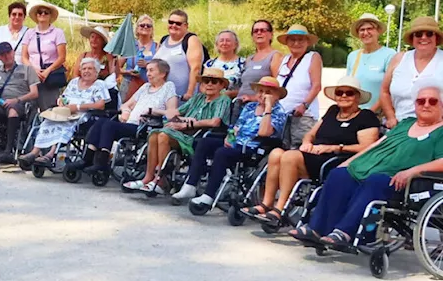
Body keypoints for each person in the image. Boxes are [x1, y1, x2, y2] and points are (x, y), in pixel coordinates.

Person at [291, 82, 443, 249]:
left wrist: (412, 171)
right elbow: (376, 145)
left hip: (401, 179)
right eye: (421, 101)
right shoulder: (406, 123)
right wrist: (348, 163)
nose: (426, 105)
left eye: (432, 101)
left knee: (375, 180)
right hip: (369, 168)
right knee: (338, 175)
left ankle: (345, 233)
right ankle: (317, 229)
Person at [250, 76, 380, 223]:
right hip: (314, 154)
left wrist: (334, 147)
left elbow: (368, 147)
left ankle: (280, 208)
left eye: (349, 93)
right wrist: (306, 142)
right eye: (340, 92)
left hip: (337, 159)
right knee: (276, 153)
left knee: (290, 157)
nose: (343, 96)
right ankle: (266, 203)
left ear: (358, 97)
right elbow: (311, 134)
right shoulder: (333, 111)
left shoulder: (365, 116)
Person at [184, 76, 289, 209]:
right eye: (260, 91)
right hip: (237, 143)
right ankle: (190, 184)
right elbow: (236, 127)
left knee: (222, 153)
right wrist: (230, 137)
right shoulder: (250, 107)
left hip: (255, 148)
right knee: (205, 142)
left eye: (268, 92)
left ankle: (209, 195)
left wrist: (268, 107)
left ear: (277, 96)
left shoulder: (278, 112)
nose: (263, 95)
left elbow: (264, 132)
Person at [124, 68, 232, 193]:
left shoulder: (223, 100)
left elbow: (215, 122)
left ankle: (160, 179)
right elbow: (176, 113)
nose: (209, 84)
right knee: (154, 134)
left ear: (222, 85)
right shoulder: (198, 98)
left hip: (199, 136)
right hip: (181, 132)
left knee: (163, 135)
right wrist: (155, 111)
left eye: (214, 81)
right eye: (206, 81)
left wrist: (189, 124)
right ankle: (148, 177)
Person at [78, 60, 179, 175]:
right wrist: (125, 111)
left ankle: (102, 162)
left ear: (163, 73)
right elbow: (126, 104)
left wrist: (154, 111)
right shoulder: (145, 87)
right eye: (147, 71)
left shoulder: (168, 87)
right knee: (101, 121)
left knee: (109, 125)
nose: (148, 74)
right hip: (130, 123)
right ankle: (87, 158)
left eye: (151, 70)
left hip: (146, 126)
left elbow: (172, 112)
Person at [22, 59, 111, 167]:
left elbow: (100, 105)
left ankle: (50, 155)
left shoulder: (99, 84)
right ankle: (34, 152)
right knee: (48, 121)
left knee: (64, 124)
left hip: (82, 115)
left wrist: (77, 107)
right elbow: (64, 97)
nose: (86, 71)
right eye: (84, 69)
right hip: (65, 112)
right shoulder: (74, 82)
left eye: (90, 69)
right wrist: (61, 101)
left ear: (96, 72)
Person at [0, 41, 40, 164]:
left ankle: (8, 150)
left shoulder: (27, 70)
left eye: (8, 53)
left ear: (13, 52)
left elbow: (34, 93)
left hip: (19, 104)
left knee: (12, 109)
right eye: (3, 54)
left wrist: (17, 100)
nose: (6, 56)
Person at [379, 16, 443, 128]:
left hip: (437, 128)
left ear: (436, 37)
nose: (424, 37)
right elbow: (384, 91)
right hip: (399, 126)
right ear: (412, 38)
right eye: (418, 34)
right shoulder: (399, 59)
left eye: (429, 34)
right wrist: (390, 117)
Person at [275, 24, 322, 149]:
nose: (296, 43)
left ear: (307, 42)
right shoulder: (283, 60)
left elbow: (316, 86)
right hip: (282, 115)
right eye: (292, 39)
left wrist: (304, 105)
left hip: (303, 116)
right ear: (287, 42)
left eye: (300, 39)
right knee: (281, 149)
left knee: (300, 149)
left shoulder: (312, 57)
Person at [346, 13, 394, 113]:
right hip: (354, 114)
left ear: (378, 31)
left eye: (370, 29)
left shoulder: (389, 55)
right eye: (362, 30)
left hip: (378, 115)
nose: (366, 33)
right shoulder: (353, 56)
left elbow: (390, 90)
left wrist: (369, 113)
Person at [22, 3, 67, 111]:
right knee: (29, 110)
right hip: (32, 75)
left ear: (50, 16)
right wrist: (34, 70)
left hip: (50, 75)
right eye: (40, 12)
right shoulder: (29, 33)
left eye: (46, 12)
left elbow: (62, 57)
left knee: (49, 108)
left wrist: (47, 71)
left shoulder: (58, 33)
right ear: (36, 16)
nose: (42, 14)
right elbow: (24, 57)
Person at [154, 9, 203, 102]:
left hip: (181, 97)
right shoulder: (164, 39)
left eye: (178, 23)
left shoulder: (191, 40)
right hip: (160, 95)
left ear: (186, 25)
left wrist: (190, 93)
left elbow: (196, 68)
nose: (174, 25)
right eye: (171, 22)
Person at [237, 19, 282, 103]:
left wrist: (253, 98)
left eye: (263, 30)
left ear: (271, 35)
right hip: (240, 104)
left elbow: (278, 86)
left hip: (259, 106)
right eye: (255, 31)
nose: (259, 33)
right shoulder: (249, 59)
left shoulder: (275, 56)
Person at [116, 14, 158, 102]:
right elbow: (117, 68)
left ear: (152, 29)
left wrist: (147, 65)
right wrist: (128, 72)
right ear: (137, 29)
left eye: (148, 25)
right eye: (142, 25)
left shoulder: (157, 47)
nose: (145, 27)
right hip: (128, 85)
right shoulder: (130, 45)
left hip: (149, 86)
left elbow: (161, 69)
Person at [0, 1, 29, 73]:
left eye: (20, 14)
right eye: (14, 14)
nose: (17, 17)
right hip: (2, 74)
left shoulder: (29, 33)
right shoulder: (0, 31)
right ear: (9, 16)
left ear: (24, 17)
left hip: (21, 74)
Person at [203, 30, 246, 98]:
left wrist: (229, 94)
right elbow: (202, 85)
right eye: (221, 40)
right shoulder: (209, 64)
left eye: (228, 40)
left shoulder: (243, 63)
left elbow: (246, 88)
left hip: (234, 103)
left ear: (235, 44)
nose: (224, 43)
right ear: (217, 44)